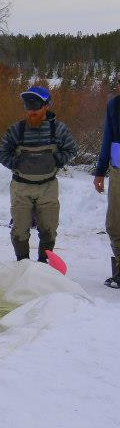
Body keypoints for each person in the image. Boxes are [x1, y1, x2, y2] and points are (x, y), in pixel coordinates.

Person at [0, 86, 77, 263]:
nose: (31, 110)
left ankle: (43, 264)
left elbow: (71, 150)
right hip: (21, 187)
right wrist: (17, 163)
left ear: (46, 106)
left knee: (49, 230)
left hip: (48, 187)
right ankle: (22, 263)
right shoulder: (17, 130)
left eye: (36, 105)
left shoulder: (58, 129)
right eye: (28, 105)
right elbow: (2, 153)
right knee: (19, 230)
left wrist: (56, 160)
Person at [93, 91, 120, 287]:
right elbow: (107, 139)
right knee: (114, 225)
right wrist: (100, 171)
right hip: (118, 171)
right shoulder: (114, 105)